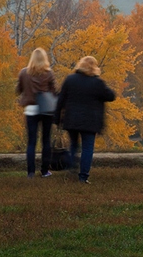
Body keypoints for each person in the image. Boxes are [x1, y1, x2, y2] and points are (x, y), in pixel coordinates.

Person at [53, 56, 116, 184]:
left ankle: (72, 166)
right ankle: (83, 177)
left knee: (74, 145)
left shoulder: (70, 80)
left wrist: (57, 118)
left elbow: (61, 99)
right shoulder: (97, 83)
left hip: (72, 119)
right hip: (90, 121)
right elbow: (111, 96)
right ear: (94, 67)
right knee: (88, 148)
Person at [16, 48, 58, 178]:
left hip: (30, 109)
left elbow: (18, 89)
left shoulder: (24, 73)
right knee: (46, 140)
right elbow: (54, 91)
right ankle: (44, 170)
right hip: (46, 109)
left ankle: (31, 172)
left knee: (31, 142)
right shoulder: (49, 73)